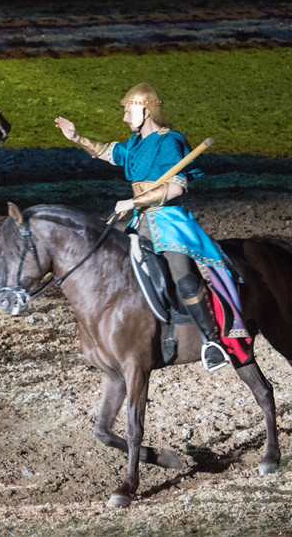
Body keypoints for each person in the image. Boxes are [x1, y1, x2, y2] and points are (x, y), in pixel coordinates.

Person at [54, 82, 234, 372]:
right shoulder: (137, 144)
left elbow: (175, 188)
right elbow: (111, 152)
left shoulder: (170, 142)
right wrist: (77, 137)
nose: (125, 118)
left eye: (128, 112)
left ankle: (212, 342)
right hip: (140, 222)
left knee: (181, 274)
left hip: (168, 220)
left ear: (145, 110)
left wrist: (133, 202)